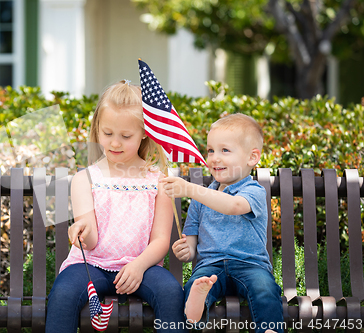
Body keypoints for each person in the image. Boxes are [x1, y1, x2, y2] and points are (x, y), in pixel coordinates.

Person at [45, 80, 186, 332]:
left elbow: (160, 241)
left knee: (170, 291)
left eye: (125, 136)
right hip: (91, 265)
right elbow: (90, 239)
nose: (115, 143)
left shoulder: (158, 181)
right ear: (97, 128)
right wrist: (81, 232)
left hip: (142, 265)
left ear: (144, 132)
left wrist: (139, 265)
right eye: (107, 134)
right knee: (64, 292)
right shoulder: (85, 179)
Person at [160, 113, 284, 333]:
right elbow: (191, 244)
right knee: (197, 284)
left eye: (224, 150)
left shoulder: (253, 191)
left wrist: (189, 189)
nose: (214, 157)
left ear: (252, 157)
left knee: (265, 289)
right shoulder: (201, 198)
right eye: (210, 150)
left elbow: (233, 206)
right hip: (211, 265)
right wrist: (185, 251)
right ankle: (195, 310)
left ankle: (269, 330)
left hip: (250, 265)